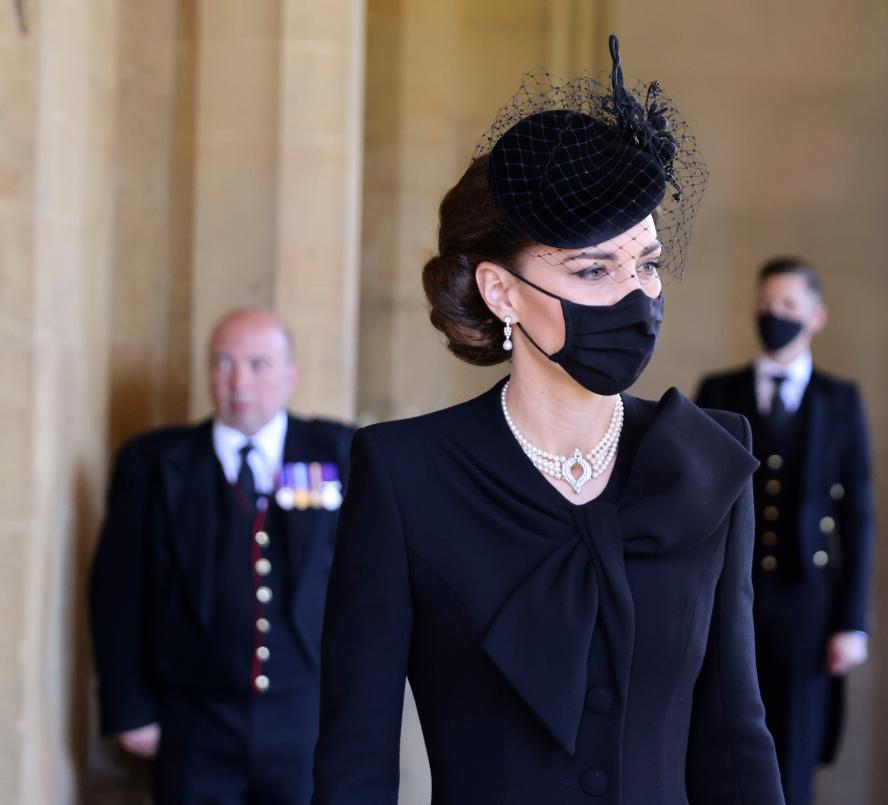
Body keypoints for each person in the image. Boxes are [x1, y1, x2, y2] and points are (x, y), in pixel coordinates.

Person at [312, 35, 783, 804]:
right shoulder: (405, 476)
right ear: (500, 291)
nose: (636, 296)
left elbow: (734, 738)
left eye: (648, 263)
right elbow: (355, 761)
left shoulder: (705, 460)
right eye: (594, 269)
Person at [90, 308, 353, 804]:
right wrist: (130, 709)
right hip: (192, 722)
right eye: (223, 363)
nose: (239, 382)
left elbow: (370, 590)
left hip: (306, 719)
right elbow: (118, 594)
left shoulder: (339, 452)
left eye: (259, 364)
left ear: (291, 375)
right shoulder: (154, 464)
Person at [695, 257, 875, 805]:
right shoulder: (718, 391)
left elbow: (858, 515)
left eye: (788, 307)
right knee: (724, 743)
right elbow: (697, 506)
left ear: (816, 317)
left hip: (808, 604)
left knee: (794, 753)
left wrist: (852, 623)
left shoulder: (839, 401)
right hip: (731, 597)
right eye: (766, 305)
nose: (775, 316)